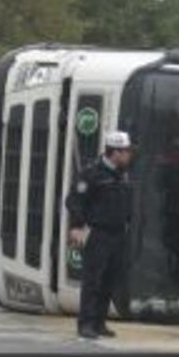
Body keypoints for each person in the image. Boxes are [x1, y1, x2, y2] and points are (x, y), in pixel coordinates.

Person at [65, 131, 134, 340]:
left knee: (109, 280)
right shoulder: (92, 174)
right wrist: (77, 226)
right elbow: (74, 200)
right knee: (93, 281)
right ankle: (85, 324)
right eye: (126, 151)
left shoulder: (122, 173)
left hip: (118, 234)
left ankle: (99, 323)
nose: (129, 155)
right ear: (115, 152)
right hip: (99, 233)